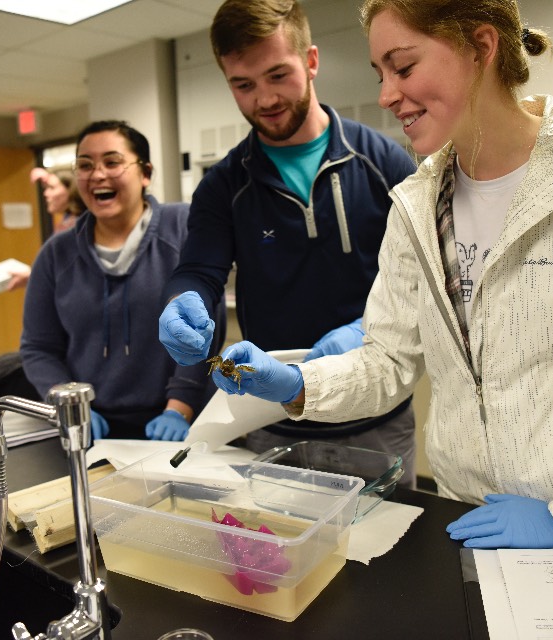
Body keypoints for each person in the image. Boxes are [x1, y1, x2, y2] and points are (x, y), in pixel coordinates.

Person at [205, 0, 553, 550]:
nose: (386, 95)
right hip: (474, 522)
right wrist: (297, 384)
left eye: (403, 67)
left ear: (481, 47)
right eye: (380, 73)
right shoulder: (417, 204)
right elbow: (388, 361)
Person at [158, 0, 418, 481]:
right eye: (244, 84)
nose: (265, 99)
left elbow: (423, 279)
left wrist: (367, 328)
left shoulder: (385, 164)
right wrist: (183, 300)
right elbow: (200, 269)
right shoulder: (224, 186)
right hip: (274, 423)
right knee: (280, 552)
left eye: (278, 75)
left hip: (377, 421)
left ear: (312, 61)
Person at [20, 120, 222, 441]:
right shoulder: (56, 254)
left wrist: (178, 408)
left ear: (145, 173)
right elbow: (39, 348)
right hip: (91, 426)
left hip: (183, 417)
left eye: (112, 162)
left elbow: (204, 328)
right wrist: (70, 404)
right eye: (85, 165)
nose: (98, 174)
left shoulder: (183, 228)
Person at [6, 168, 86, 291]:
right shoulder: (68, 220)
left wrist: (32, 275)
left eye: (52, 188)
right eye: (46, 188)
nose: (46, 193)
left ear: (72, 191)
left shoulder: (76, 227)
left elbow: (69, 273)